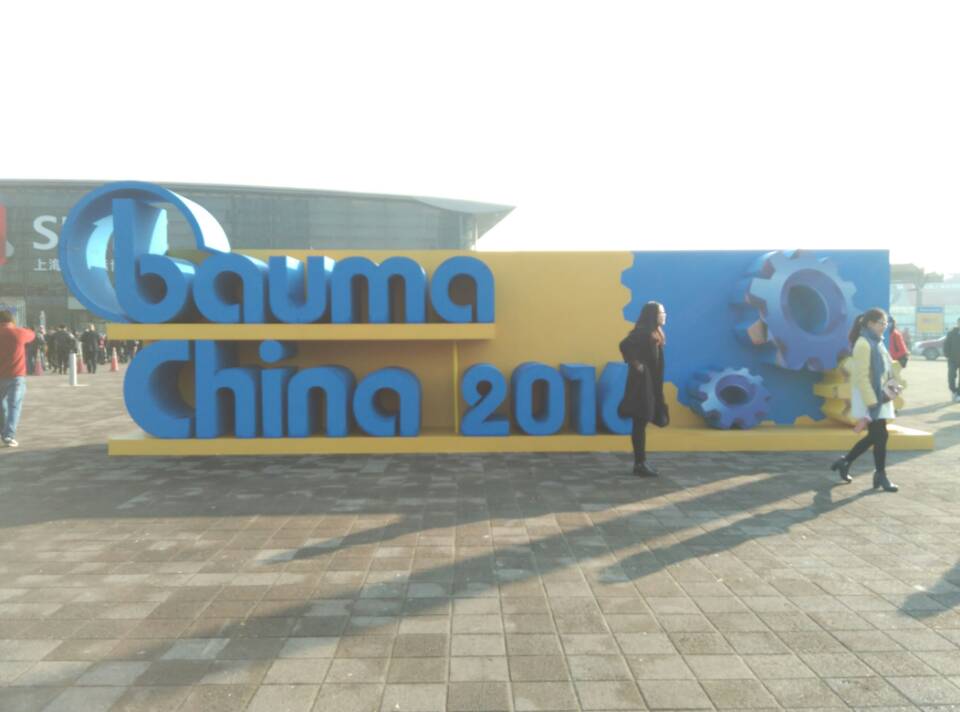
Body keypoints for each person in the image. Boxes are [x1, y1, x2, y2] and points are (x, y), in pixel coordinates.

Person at [830, 308, 901, 492]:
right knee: (881, 435)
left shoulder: (878, 342)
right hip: (869, 396)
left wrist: (892, 387)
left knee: (877, 436)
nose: (884, 326)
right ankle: (880, 475)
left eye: (886, 323)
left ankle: (846, 461)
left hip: (880, 395)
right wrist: (872, 402)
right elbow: (861, 377)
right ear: (870, 323)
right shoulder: (863, 344)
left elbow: (886, 369)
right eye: (881, 323)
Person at [618, 301, 668, 477]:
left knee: (641, 423)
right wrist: (637, 364)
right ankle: (640, 464)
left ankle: (640, 463)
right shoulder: (643, 332)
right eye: (661, 312)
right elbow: (624, 345)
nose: (664, 315)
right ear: (652, 315)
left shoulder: (654, 332)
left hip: (650, 384)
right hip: (641, 385)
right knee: (639, 423)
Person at [0, 310, 36, 447]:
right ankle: (9, 435)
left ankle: (2, 431)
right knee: (14, 405)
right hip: (16, 376)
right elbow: (32, 334)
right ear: (11, 320)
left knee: (1, 406)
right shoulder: (18, 332)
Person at [946, 318, 960, 403]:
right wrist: (947, 355)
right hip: (953, 359)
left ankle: (958, 394)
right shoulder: (951, 333)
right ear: (958, 323)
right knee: (951, 376)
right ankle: (953, 390)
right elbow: (946, 344)